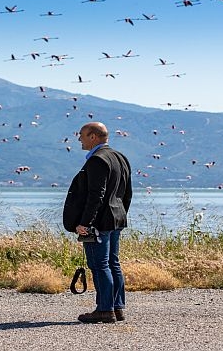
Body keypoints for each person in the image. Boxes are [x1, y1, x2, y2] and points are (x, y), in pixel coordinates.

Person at [63, 122, 132, 324]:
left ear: (93, 136)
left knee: (100, 265)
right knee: (113, 264)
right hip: (116, 219)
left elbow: (96, 196)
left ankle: (104, 310)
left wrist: (85, 223)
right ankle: (118, 308)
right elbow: (127, 193)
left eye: (82, 135)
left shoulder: (97, 160)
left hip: (99, 222)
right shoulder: (121, 158)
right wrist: (120, 214)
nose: (79, 139)